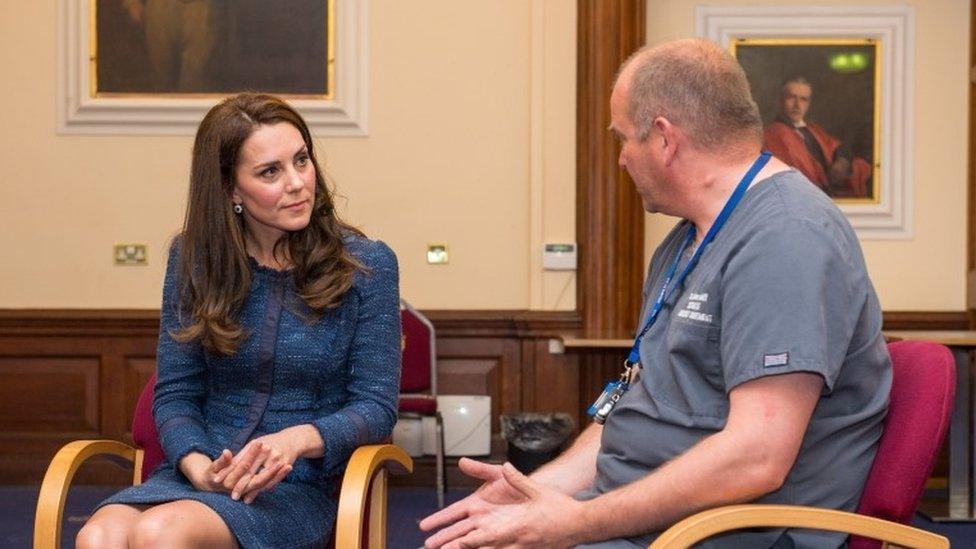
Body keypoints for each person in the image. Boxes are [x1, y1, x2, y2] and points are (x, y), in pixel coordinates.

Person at [421, 39, 890, 548]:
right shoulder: (687, 239)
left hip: (724, 533)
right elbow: (633, 410)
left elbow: (757, 458)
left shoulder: (787, 238)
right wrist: (535, 492)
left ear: (665, 139)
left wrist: (575, 522)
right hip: (651, 519)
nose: (621, 159)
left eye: (623, 138)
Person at [76, 93, 401, 548]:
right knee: (99, 536)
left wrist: (295, 440)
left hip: (294, 486)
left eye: (301, 160)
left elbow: (376, 406)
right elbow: (175, 394)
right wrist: (198, 467)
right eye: (271, 171)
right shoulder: (194, 260)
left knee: (159, 534)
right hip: (197, 474)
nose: (297, 183)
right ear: (231, 189)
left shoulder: (366, 266)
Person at [763, 77, 873, 198]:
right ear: (780, 101)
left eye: (803, 99)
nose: (797, 105)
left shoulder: (814, 130)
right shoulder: (770, 135)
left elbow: (836, 147)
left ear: (808, 104)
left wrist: (842, 161)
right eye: (791, 97)